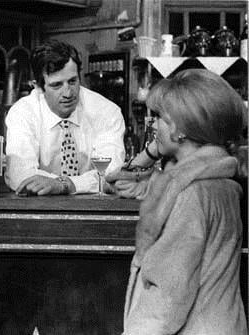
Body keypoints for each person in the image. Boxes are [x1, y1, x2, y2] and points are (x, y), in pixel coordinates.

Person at [111, 69, 247, 334]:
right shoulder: (220, 182)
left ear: (181, 129)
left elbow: (167, 297)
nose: (154, 125)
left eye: (160, 117)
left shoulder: (188, 194)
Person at [4, 40, 125, 195]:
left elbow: (110, 175)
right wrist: (85, 183)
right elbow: (20, 176)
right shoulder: (23, 113)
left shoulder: (106, 111)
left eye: (72, 81)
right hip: (39, 209)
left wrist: (65, 185)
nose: (68, 93)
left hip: (94, 208)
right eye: (57, 85)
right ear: (38, 87)